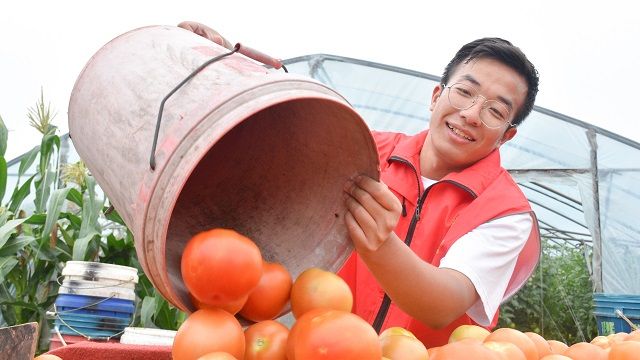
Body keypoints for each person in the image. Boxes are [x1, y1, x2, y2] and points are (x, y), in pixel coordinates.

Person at [179, 21, 541, 348]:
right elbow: (276, 141)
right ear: (436, 97)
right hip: (318, 351)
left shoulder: (505, 212)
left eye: (495, 111)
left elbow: (441, 305)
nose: (471, 114)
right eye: (464, 92)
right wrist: (228, 73)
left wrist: (380, 244)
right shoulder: (362, 152)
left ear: (506, 137)